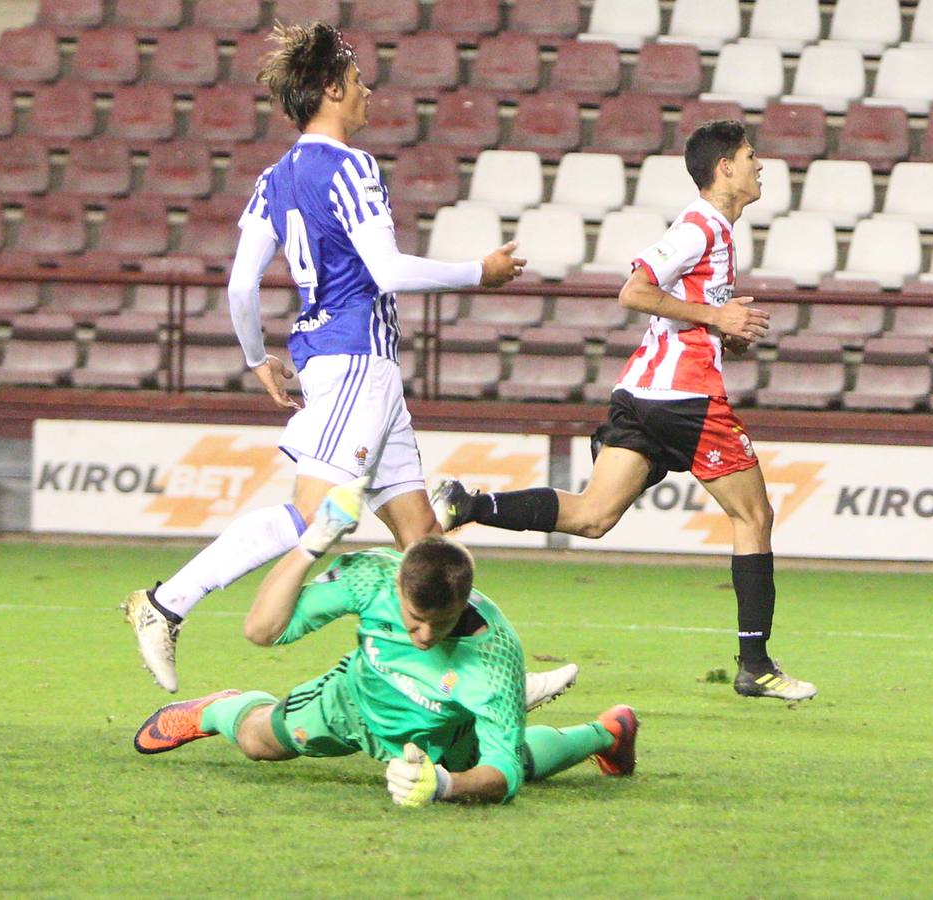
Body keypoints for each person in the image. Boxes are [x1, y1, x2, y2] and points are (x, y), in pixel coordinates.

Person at [122, 21, 527, 694]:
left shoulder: (275, 178)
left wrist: (258, 356)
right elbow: (388, 271)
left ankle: (496, 674)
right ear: (334, 89)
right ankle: (166, 604)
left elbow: (240, 284)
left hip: (353, 367)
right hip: (353, 361)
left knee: (425, 539)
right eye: (360, 81)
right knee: (315, 519)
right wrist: (475, 273)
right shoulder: (354, 167)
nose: (369, 92)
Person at [430, 121, 816, 702]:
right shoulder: (699, 225)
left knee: (592, 516)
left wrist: (720, 327)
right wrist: (716, 320)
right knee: (753, 518)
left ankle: (470, 504)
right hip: (686, 399)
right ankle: (755, 664)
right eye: (750, 156)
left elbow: (675, 309)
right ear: (724, 169)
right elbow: (634, 291)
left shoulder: (715, 231)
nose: (760, 165)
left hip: (640, 395)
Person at [132, 509, 638, 807]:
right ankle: (216, 708)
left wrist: (445, 785)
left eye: (438, 625)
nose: (421, 636)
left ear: (464, 602)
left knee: (516, 764)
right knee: (256, 743)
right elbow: (264, 630)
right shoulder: (372, 576)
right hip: (353, 697)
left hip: (443, 732)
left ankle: (606, 734)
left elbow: (502, 775)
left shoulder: (495, 657)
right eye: (413, 619)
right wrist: (307, 550)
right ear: (398, 585)